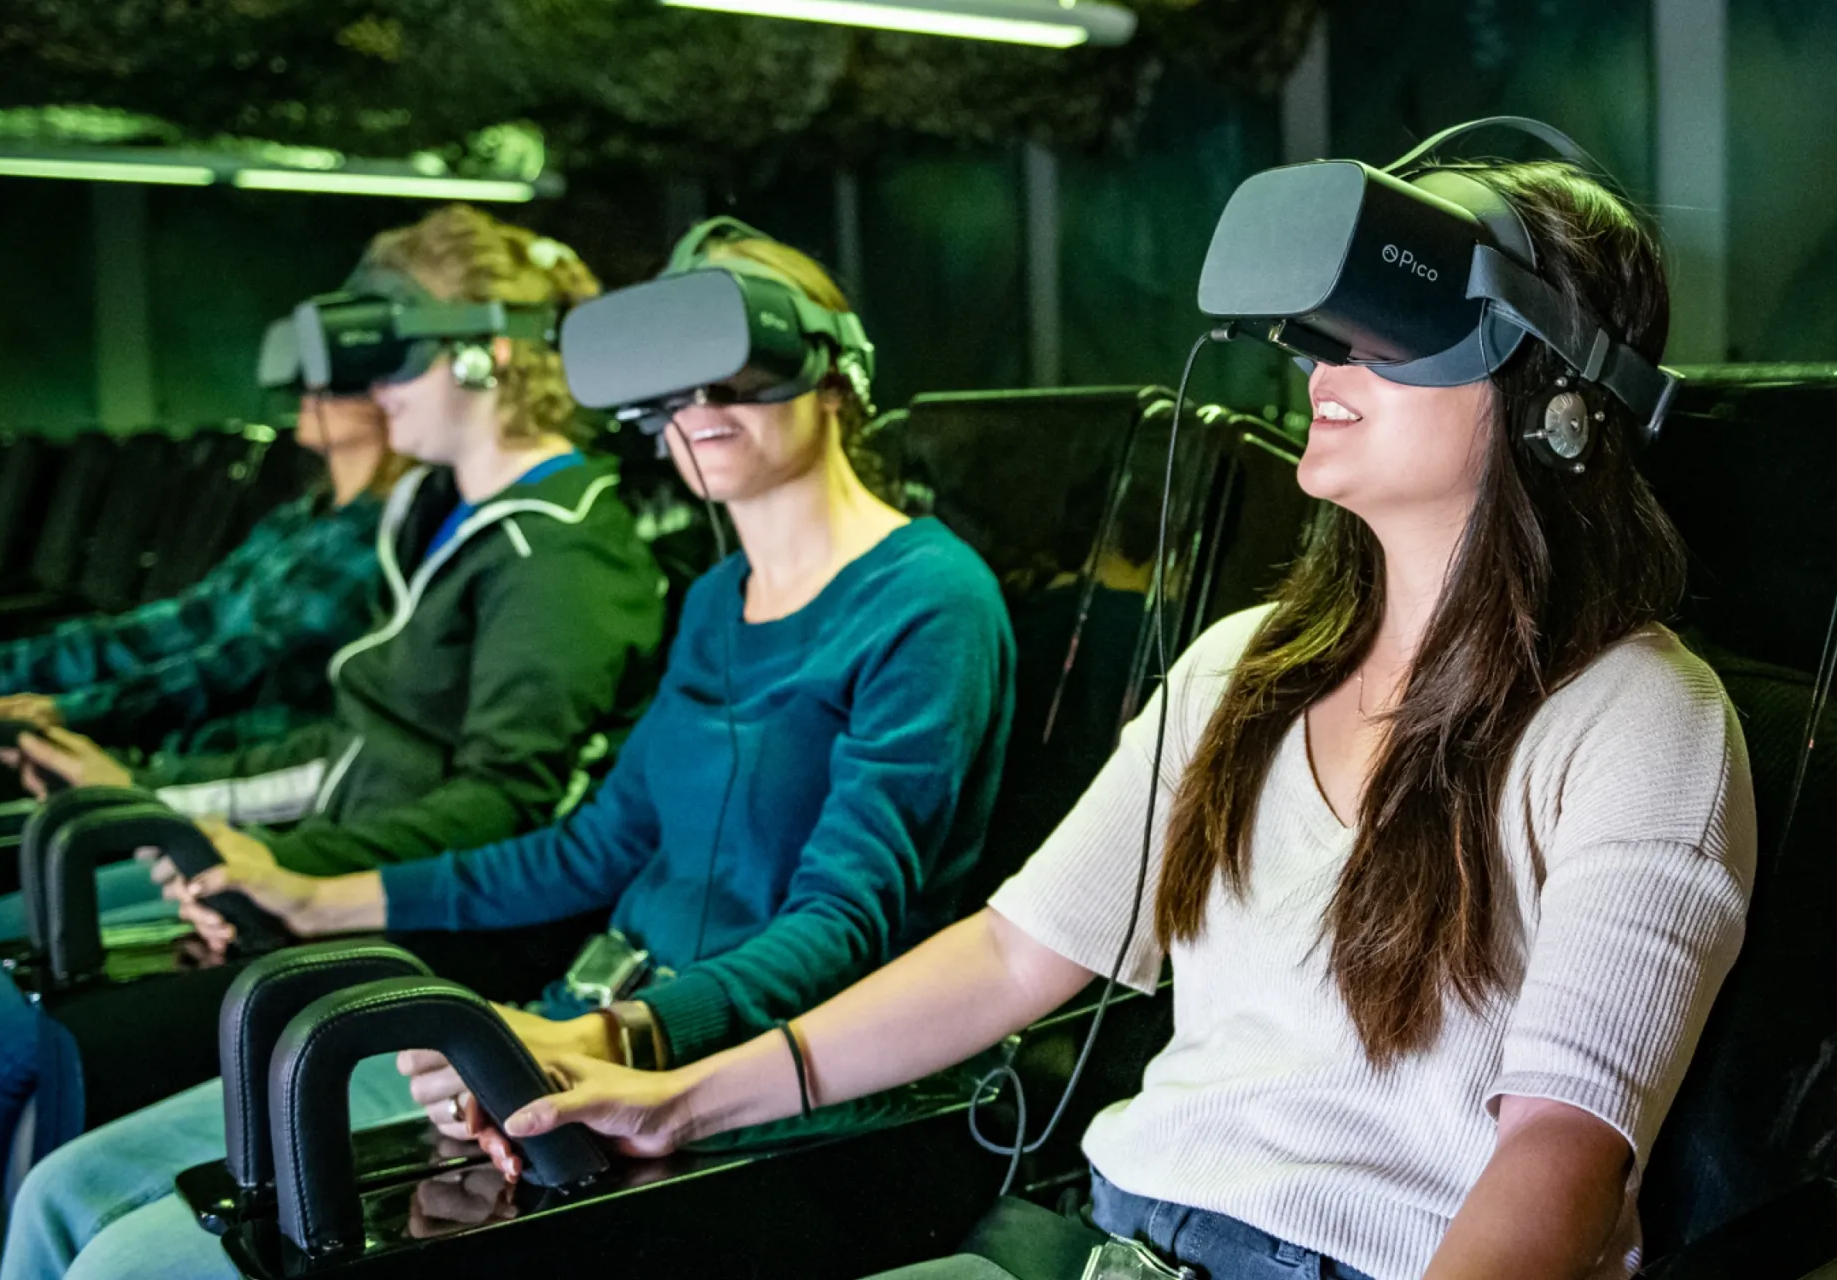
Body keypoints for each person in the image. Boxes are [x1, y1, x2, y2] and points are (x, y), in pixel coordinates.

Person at [474, 161, 1757, 1280]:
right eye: (1318, 331)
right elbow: (1010, 957)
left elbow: (1564, 1154)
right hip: (1096, 1233)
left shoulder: (1641, 718)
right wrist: (676, 1099)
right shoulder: (1238, 671)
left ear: (1560, 386)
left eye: (1385, 325)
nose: (1316, 360)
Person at [0, 227, 1015, 1280]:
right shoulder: (717, 600)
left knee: (135, 1262)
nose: (698, 406)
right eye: (670, 377)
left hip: (731, 1078)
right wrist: (317, 895)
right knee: (65, 1192)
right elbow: (593, 845)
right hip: (570, 1018)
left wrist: (625, 1033)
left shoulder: (928, 600)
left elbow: (846, 920)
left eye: (745, 367)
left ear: (838, 376)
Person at [0, 203, 666, 1229]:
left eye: (394, 358)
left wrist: (299, 876)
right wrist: (213, 828)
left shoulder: (560, 553)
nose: (371, 389)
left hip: (414, 922)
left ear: (484, 358)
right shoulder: (451, 518)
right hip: (332, 863)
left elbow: (509, 802)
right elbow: (362, 743)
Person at [0, 391, 397, 792]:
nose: (312, 387)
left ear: (391, 396)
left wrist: (76, 713)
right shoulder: (297, 520)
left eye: (344, 377)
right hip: (171, 751)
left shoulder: (384, 537)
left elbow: (249, 665)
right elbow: (175, 627)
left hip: (233, 767)